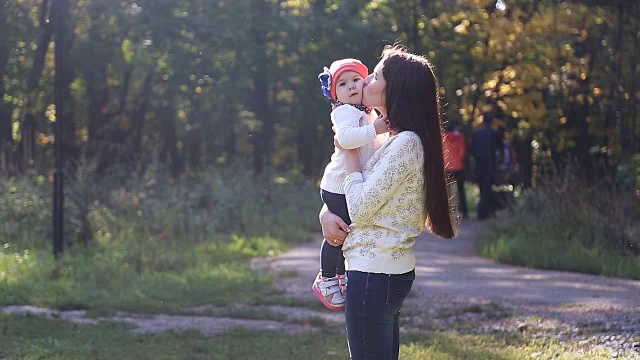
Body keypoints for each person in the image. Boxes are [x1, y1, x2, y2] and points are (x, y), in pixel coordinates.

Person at [319, 46, 456, 360]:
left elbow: (362, 209)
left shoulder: (405, 142)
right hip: (376, 273)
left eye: (374, 76)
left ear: (394, 89)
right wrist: (327, 211)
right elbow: (356, 193)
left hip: (374, 276)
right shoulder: (388, 137)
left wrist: (350, 153)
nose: (364, 83)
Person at [313, 59, 390, 310]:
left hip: (349, 182)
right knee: (339, 232)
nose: (351, 87)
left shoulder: (367, 111)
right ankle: (326, 277)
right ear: (335, 93)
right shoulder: (344, 111)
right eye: (343, 84)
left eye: (356, 80)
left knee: (345, 230)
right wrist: (376, 129)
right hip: (338, 185)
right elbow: (345, 139)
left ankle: (338, 274)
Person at [470, 113, 502, 220]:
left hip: (479, 161)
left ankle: (485, 210)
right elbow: (499, 149)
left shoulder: (476, 134)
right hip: (489, 162)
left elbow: (472, 150)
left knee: (482, 186)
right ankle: (482, 210)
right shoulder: (494, 133)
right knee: (487, 186)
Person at [443, 119, 469, 219]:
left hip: (447, 167)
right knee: (461, 190)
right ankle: (464, 212)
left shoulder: (444, 136)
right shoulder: (461, 137)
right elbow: (462, 153)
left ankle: (447, 212)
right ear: (456, 127)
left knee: (447, 191)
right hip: (459, 167)